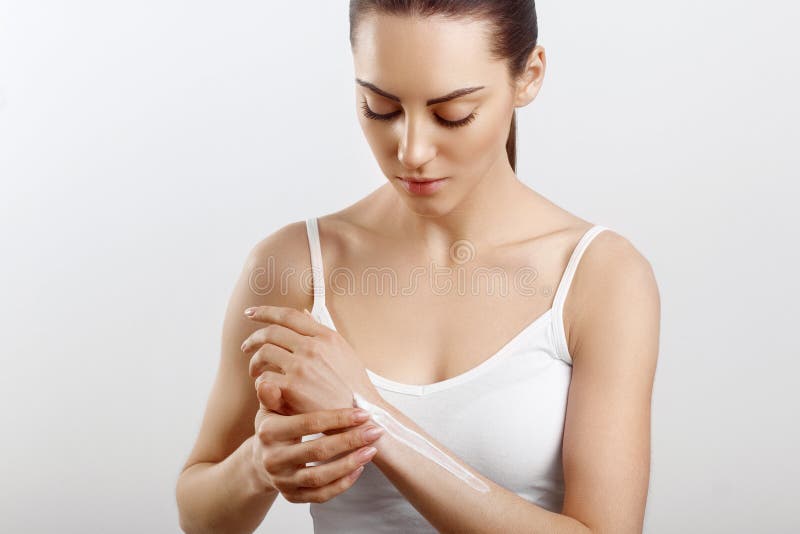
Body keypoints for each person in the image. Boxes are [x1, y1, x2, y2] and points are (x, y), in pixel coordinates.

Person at [176, 1, 661, 532]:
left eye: (452, 114)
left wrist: (375, 420)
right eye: (379, 107)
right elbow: (200, 516)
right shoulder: (297, 265)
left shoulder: (599, 277)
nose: (410, 150)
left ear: (529, 76)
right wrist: (256, 467)